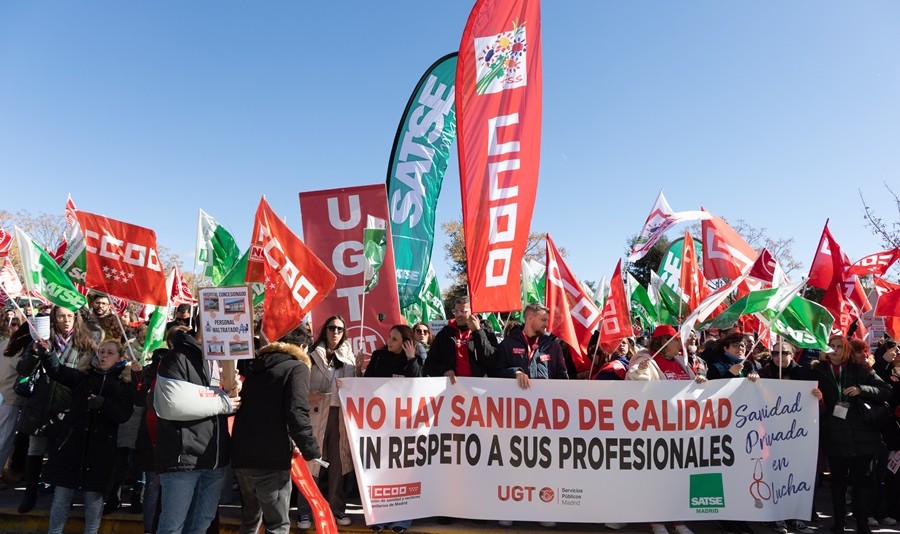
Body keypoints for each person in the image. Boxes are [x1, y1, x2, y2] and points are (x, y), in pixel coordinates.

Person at [37, 339, 134, 534]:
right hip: (73, 445)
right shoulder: (84, 377)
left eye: (110, 353)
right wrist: (47, 353)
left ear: (120, 358)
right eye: (101, 351)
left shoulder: (123, 384)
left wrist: (103, 404)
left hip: (101, 450)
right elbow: (58, 371)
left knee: (93, 498)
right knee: (62, 497)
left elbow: (124, 414)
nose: (104, 355)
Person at [231, 327, 321, 534]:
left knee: (250, 520)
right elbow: (297, 411)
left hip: (243, 454)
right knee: (277, 525)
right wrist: (312, 450)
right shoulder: (297, 367)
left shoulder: (258, 366)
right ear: (302, 347)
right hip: (271, 456)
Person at [153, 329, 241, 534]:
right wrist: (223, 402)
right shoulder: (176, 357)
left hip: (214, 461)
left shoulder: (221, 360)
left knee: (201, 525)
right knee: (172, 527)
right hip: (183, 460)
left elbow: (223, 402)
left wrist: (230, 391)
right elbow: (171, 405)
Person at [487, 303, 566, 529]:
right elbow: (494, 373)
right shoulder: (509, 343)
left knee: (543, 462)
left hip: (545, 416)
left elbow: (561, 375)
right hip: (515, 418)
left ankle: (543, 508)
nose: (545, 324)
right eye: (542, 320)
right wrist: (515, 372)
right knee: (514, 461)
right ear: (529, 318)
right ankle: (509, 508)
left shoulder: (552, 345)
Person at [16, 306, 98, 514]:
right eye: (61, 316)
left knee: (61, 453)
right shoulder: (42, 338)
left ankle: (61, 499)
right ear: (54, 318)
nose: (66, 320)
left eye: (70, 316)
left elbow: (89, 374)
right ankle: (30, 494)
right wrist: (35, 353)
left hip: (67, 404)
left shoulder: (85, 342)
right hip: (40, 402)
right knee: (35, 450)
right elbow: (23, 369)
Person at [811, 335, 891, 534]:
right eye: (831, 346)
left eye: (840, 346)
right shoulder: (818, 371)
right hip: (835, 435)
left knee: (862, 483)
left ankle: (862, 523)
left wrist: (862, 389)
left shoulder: (861, 369)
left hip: (863, 436)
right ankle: (839, 523)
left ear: (846, 350)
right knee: (837, 483)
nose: (835, 350)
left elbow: (886, 390)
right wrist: (816, 397)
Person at [297, 315, 358, 529]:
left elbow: (356, 387)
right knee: (312, 463)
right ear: (325, 330)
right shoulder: (311, 354)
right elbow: (299, 386)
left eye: (340, 329)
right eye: (331, 327)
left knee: (337, 464)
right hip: (314, 415)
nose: (335, 332)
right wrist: (308, 395)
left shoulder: (350, 357)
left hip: (339, 416)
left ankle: (336, 509)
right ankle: (305, 511)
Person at [364, 324, 423, 533]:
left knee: (403, 471)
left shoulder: (414, 358)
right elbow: (366, 383)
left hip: (405, 425)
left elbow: (418, 384)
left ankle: (402, 518)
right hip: (380, 423)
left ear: (406, 343)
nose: (389, 341)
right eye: (389, 337)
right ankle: (379, 516)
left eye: (395, 339)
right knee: (381, 471)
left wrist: (411, 359)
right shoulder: (378, 356)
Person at [424, 296, 498, 382]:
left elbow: (493, 361)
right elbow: (429, 364)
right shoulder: (445, 334)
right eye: (455, 311)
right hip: (452, 388)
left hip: (479, 387)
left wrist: (477, 332)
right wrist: (444, 370)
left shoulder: (486, 332)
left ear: (473, 312)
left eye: (463, 311)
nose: (458, 315)